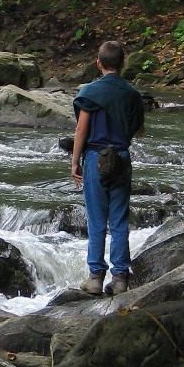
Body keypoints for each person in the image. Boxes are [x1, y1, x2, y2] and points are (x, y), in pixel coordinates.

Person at [71, 40, 145, 295]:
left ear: (99, 63)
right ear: (123, 63)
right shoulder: (132, 94)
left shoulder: (90, 92)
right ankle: (121, 278)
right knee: (120, 219)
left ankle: (95, 278)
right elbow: (139, 128)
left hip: (95, 158)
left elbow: (81, 129)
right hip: (122, 158)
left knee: (97, 220)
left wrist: (74, 161)